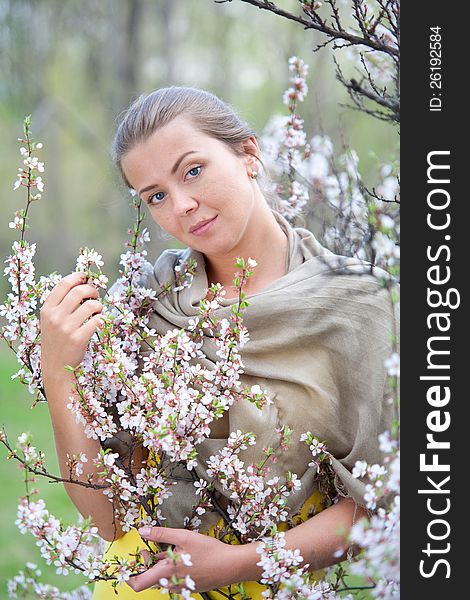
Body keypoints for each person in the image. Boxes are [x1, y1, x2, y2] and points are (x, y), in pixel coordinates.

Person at [40, 87, 398, 598]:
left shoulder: (356, 304)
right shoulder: (145, 306)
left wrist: (237, 564)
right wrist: (60, 374)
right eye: (156, 195)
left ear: (248, 154)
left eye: (193, 171)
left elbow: (384, 499)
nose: (182, 206)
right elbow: (111, 516)